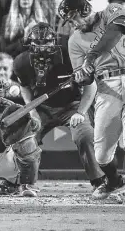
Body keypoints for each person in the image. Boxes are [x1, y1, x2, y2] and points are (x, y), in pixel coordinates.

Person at [60, 0, 125, 204]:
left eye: (73, 17)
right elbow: (86, 78)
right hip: (106, 87)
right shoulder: (74, 40)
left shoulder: (113, 10)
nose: (73, 23)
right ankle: (113, 180)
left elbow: (115, 32)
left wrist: (91, 57)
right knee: (101, 154)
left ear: (84, 9)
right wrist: (82, 77)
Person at [13, 23, 105, 195]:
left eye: (46, 42)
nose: (42, 46)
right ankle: (22, 181)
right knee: (25, 135)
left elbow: (90, 87)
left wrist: (80, 112)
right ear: (29, 43)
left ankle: (99, 179)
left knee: (85, 135)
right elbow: (24, 86)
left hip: (72, 104)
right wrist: (31, 109)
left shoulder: (70, 55)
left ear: (54, 42)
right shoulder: (22, 61)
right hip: (41, 106)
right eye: (37, 42)